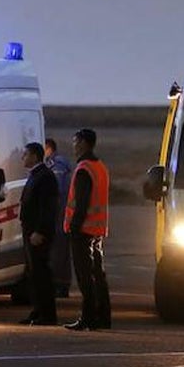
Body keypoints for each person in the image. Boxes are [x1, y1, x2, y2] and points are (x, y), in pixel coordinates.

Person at [63, 128, 111, 331]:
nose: (73, 146)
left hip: (83, 231)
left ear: (83, 143)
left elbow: (81, 203)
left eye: (75, 142)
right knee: (98, 275)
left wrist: (74, 226)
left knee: (85, 278)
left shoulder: (83, 169)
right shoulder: (100, 167)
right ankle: (103, 317)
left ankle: (88, 317)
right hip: (97, 230)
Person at [18, 141, 59, 326]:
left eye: (25, 154)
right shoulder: (35, 175)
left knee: (41, 273)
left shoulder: (45, 177)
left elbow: (47, 208)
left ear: (34, 156)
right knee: (33, 273)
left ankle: (48, 314)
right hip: (29, 232)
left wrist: (40, 231)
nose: (22, 158)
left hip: (37, 234)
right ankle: (37, 310)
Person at [45, 137, 74, 298]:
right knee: (59, 250)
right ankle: (61, 283)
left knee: (59, 250)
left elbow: (58, 191)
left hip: (60, 213)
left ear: (48, 148)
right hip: (61, 213)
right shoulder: (58, 164)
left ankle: (61, 284)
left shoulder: (57, 166)